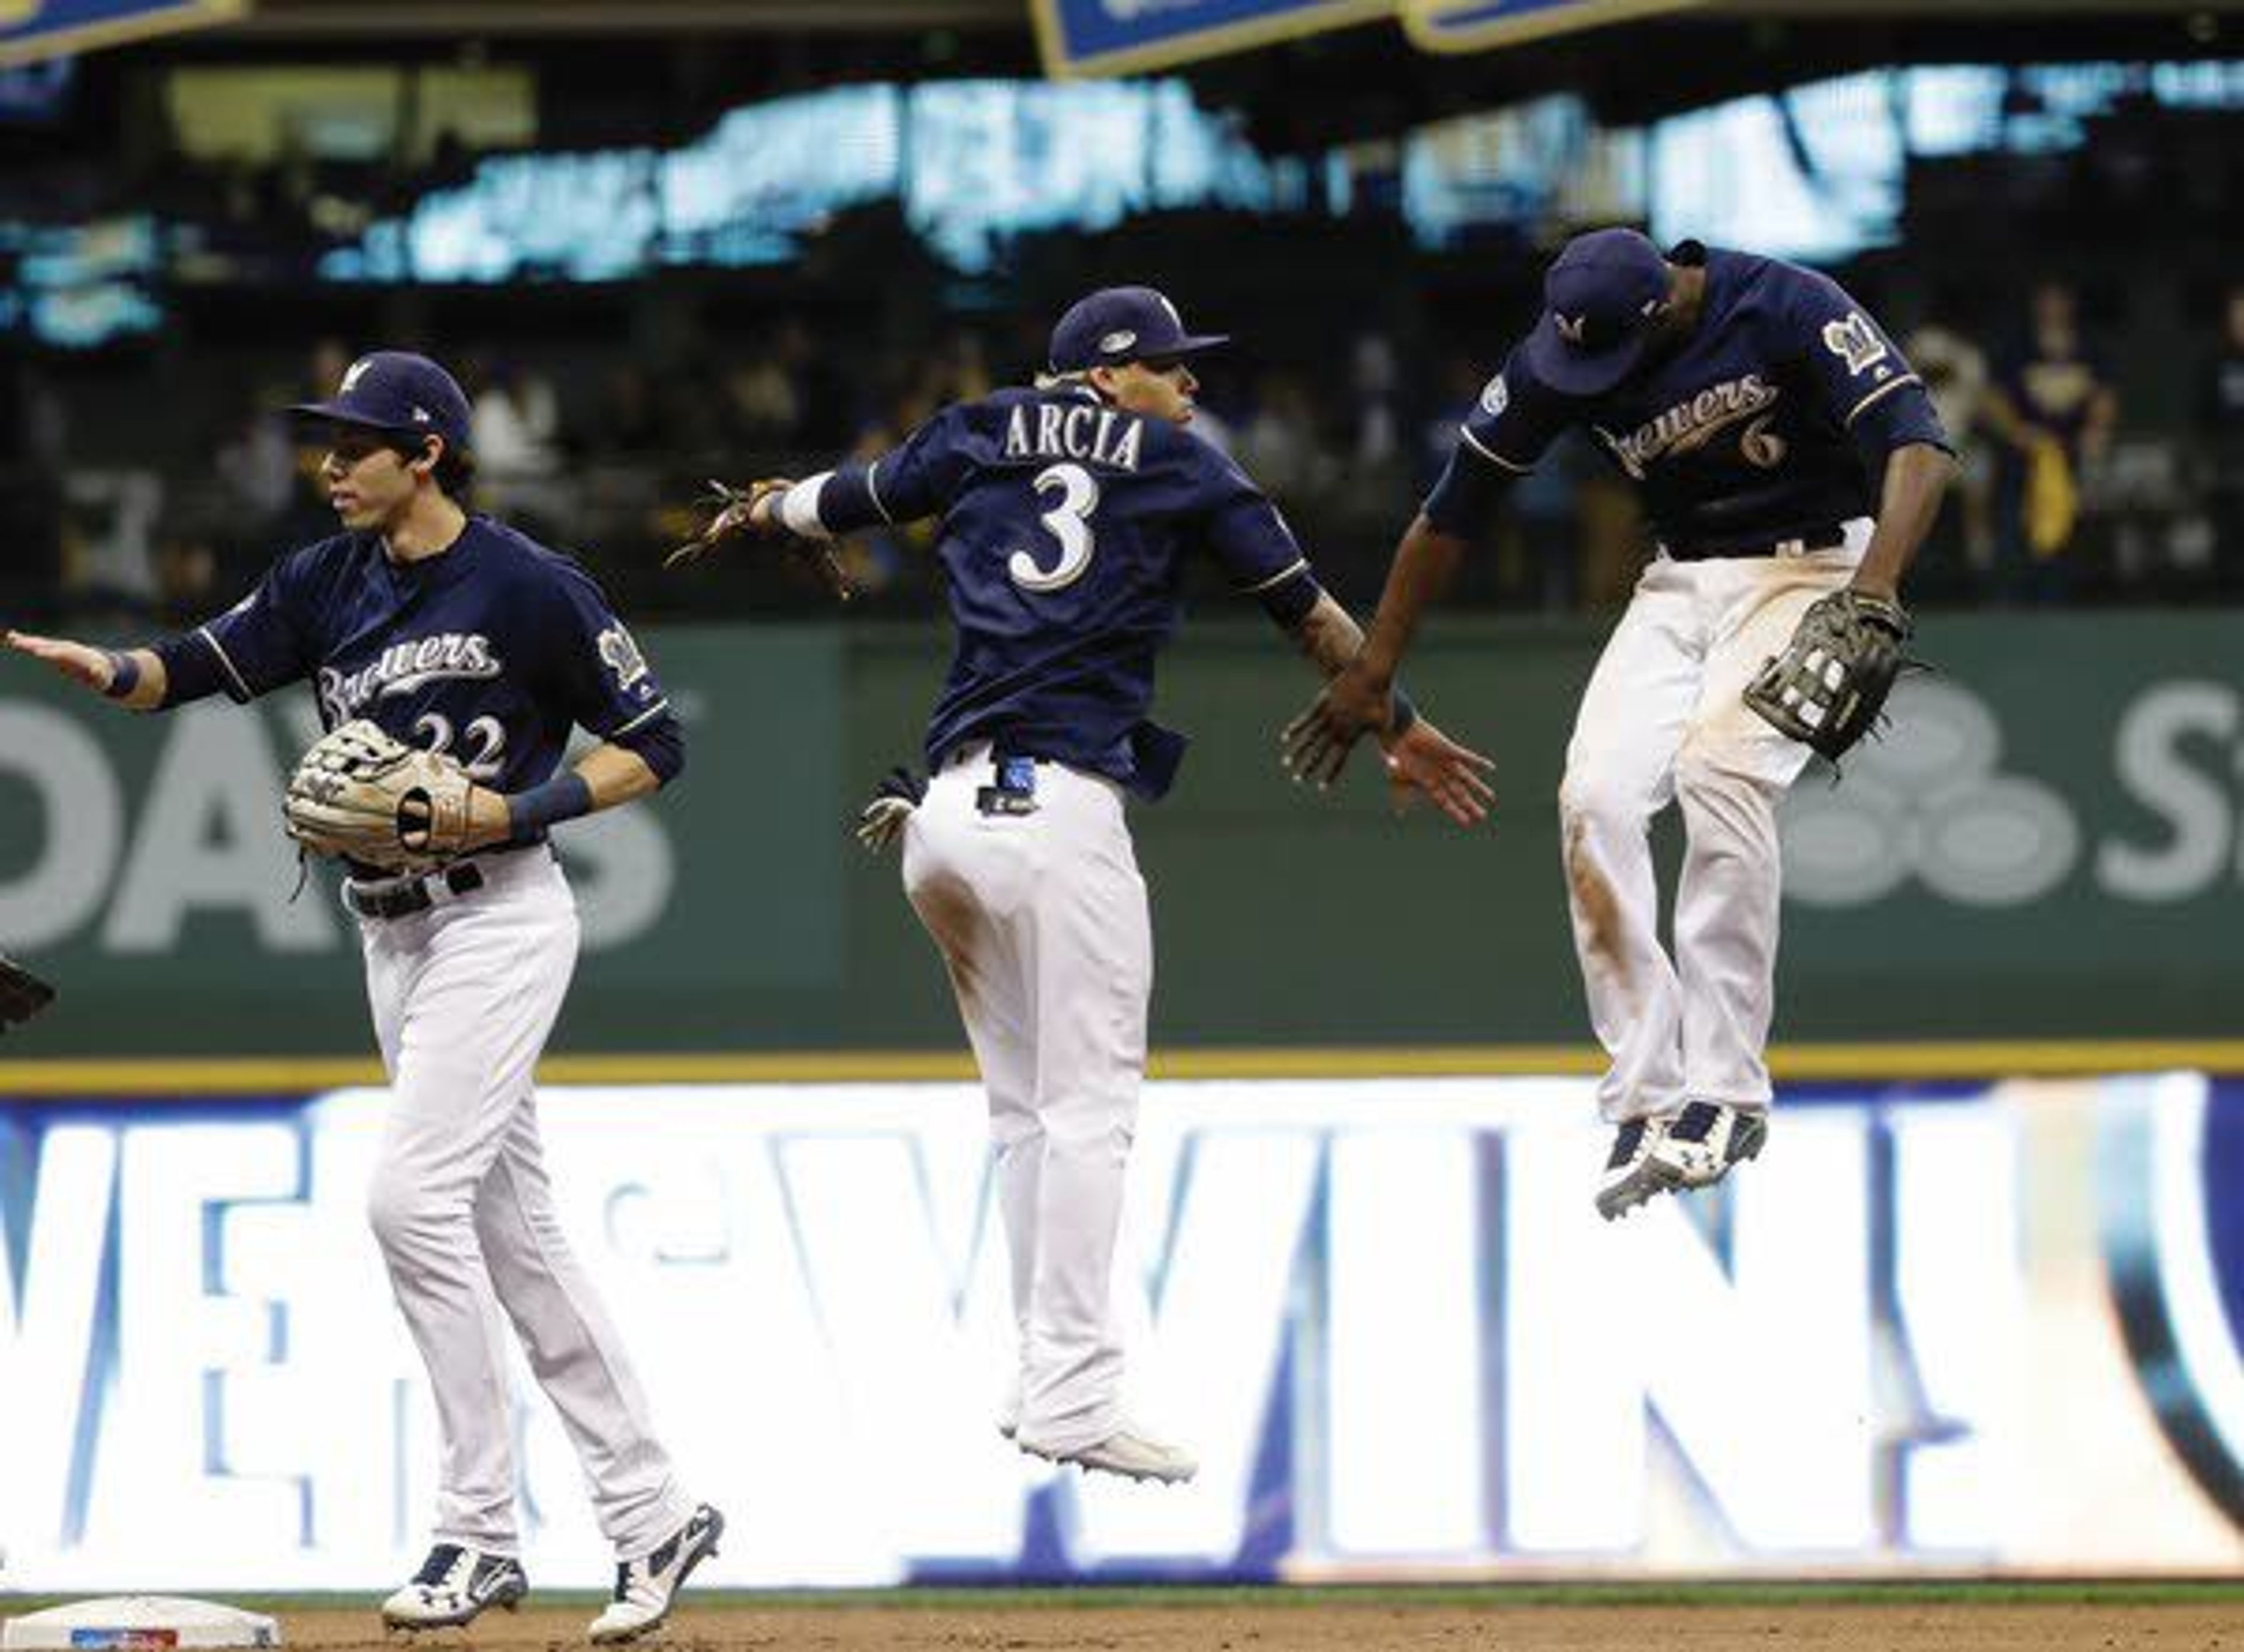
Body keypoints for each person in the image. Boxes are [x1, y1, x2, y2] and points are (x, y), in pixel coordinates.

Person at [698, 286, 1492, 1482]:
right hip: (1058, 811)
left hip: (944, 823)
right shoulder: (1184, 468)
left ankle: (1041, 1378)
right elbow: (1315, 620)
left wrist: (760, 511)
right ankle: (1073, 1396)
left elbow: (832, 501)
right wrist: (1401, 723)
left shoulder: (972, 430)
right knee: (1090, 1112)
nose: (1191, 388)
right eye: (1173, 367)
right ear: (1112, 374)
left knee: (1028, 1116)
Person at [5, 351, 720, 1641]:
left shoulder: (528, 584)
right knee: (517, 1239)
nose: (330, 463)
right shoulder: (320, 580)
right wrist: (107, 670)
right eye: (328, 442)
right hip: (391, 939)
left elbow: (655, 742)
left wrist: (517, 805)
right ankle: (653, 1512)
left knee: (408, 1201)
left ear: (427, 451)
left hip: (500, 915)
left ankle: (476, 1530)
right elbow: (197, 667)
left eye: (357, 443)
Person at [1283, 228, 1954, 1220]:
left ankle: (1726, 1090)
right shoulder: (1561, 354)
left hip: (1812, 567)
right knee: (1592, 798)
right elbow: (1448, 515)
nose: (1589, 374)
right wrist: (1375, 669)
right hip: (1681, 577)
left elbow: (1917, 442)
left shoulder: (1782, 303)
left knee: (1717, 771)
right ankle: (1646, 1093)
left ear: (1668, 302)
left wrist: (1876, 592)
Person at [1979, 280, 2117, 602]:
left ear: (2071, 306)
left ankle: (2061, 601)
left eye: (2060, 301)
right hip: (2019, 459)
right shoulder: (2016, 348)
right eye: (2047, 301)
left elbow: (2104, 397)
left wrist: (2095, 431)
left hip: (2071, 458)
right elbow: (1992, 400)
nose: (2053, 308)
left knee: (2069, 534)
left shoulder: (2090, 349)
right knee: (2013, 530)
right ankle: (2008, 604)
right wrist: (2017, 431)